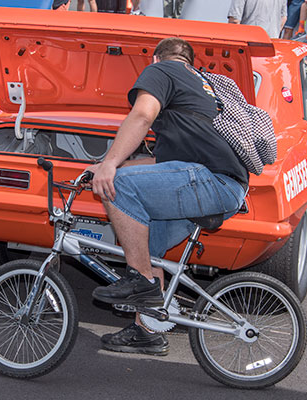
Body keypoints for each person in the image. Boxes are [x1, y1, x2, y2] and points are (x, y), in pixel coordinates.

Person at [84, 37, 248, 355]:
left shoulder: (163, 72)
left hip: (209, 181)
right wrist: (107, 164)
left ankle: (143, 284)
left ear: (156, 59)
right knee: (145, 246)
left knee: (120, 188)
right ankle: (146, 332)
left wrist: (110, 166)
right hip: (226, 186)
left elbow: (142, 116)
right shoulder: (201, 85)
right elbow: (162, 166)